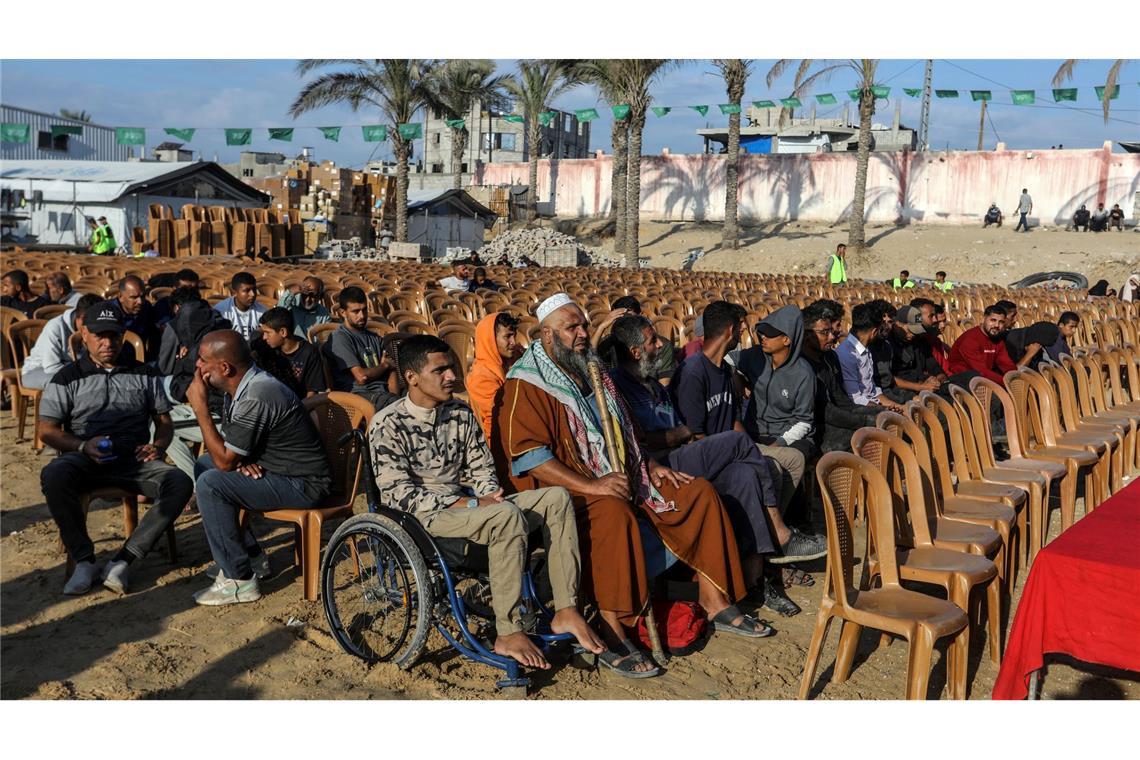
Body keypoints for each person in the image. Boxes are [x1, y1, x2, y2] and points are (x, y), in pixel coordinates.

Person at [496, 294, 767, 676]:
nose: (582, 334)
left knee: (697, 492)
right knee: (612, 511)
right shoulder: (527, 383)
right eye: (572, 328)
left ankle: (714, 599)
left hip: (623, 475)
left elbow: (626, 434)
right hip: (565, 490)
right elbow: (529, 458)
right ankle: (613, 624)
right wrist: (593, 487)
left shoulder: (593, 370)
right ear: (546, 334)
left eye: (584, 326)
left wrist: (651, 466)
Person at [370, 335, 605, 670]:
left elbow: (482, 469)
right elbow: (399, 495)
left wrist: (488, 496)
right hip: (425, 517)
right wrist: (472, 506)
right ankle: (507, 630)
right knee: (506, 516)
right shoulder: (388, 423)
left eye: (451, 367)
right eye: (441, 370)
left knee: (556, 497)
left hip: (467, 507)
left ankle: (566, 609)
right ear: (412, 377)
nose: (452, 375)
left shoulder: (460, 415)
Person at [608, 314, 804, 616]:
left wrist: (681, 435)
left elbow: (683, 429)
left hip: (681, 454)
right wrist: (676, 434)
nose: (661, 345)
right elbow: (634, 439)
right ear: (634, 352)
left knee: (745, 473)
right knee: (738, 443)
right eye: (652, 341)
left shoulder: (653, 386)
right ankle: (780, 532)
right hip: (657, 465)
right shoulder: (618, 388)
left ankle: (754, 577)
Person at [38, 302, 193, 595]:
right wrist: (83, 445)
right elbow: (46, 430)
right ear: (84, 334)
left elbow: (164, 422)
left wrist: (157, 446)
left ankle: (125, 560)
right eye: (100, 335)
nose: (108, 343)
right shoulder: (67, 378)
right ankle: (84, 560)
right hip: (84, 458)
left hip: (133, 460)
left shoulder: (145, 374)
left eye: (114, 335)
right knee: (54, 474)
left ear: (123, 335)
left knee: (180, 481)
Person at [188, 331, 332, 605]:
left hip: (304, 483)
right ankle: (251, 556)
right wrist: (241, 460)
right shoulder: (242, 386)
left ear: (225, 368)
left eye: (203, 360)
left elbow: (225, 461)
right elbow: (231, 452)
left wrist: (200, 408)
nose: (198, 367)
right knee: (204, 464)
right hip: (280, 470)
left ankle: (239, 579)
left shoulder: (257, 393)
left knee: (211, 484)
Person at [679, 302, 824, 557]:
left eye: (768, 333)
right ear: (731, 331)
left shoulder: (802, 373)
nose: (759, 337)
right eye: (750, 330)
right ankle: (776, 536)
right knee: (771, 467)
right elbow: (695, 433)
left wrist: (761, 447)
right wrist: (737, 374)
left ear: (787, 340)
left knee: (793, 459)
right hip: (716, 449)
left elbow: (802, 421)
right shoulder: (697, 371)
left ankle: (769, 530)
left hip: (765, 437)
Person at [159, 286, 233, 483]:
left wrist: (183, 362)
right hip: (224, 411)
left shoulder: (200, 351)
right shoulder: (225, 334)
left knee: (162, 425)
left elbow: (179, 389)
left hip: (221, 416)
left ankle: (194, 482)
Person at [800, 299, 880, 454]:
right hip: (816, 426)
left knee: (884, 420)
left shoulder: (830, 357)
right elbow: (824, 411)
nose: (832, 337)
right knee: (867, 440)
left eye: (831, 330)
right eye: (825, 332)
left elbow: (842, 400)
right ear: (806, 335)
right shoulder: (802, 366)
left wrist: (876, 412)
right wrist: (864, 421)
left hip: (835, 418)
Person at [323, 286, 397, 411]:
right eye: (355, 311)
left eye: (364, 310)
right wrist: (383, 366)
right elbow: (361, 377)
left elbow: (392, 369)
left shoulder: (375, 338)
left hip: (384, 395)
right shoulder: (340, 338)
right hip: (357, 396)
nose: (362, 316)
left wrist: (397, 396)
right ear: (343, 312)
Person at [21, 293, 102, 390]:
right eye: (89, 322)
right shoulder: (55, 327)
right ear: (79, 317)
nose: (92, 327)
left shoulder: (94, 327)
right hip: (38, 371)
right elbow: (51, 367)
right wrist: (82, 372)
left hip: (73, 369)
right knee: (61, 382)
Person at [835, 303, 906, 411]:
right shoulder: (847, 354)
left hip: (874, 405)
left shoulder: (865, 349)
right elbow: (856, 399)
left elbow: (873, 392)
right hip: (861, 411)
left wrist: (900, 408)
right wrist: (884, 410)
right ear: (873, 332)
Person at [594, 296, 677, 382]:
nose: (626, 325)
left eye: (630, 319)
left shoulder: (659, 345)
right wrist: (601, 327)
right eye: (620, 321)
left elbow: (664, 384)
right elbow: (588, 362)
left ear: (640, 316)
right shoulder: (613, 342)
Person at [467, 312, 522, 442]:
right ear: (490, 339)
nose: (513, 342)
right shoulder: (481, 377)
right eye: (507, 337)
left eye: (514, 336)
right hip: (504, 440)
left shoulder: (514, 358)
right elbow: (499, 419)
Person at [252, 308, 327, 399]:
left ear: (283, 332)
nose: (264, 337)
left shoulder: (309, 353)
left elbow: (312, 392)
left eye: (267, 333)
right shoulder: (266, 348)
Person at [948, 304, 1016, 386]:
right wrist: (1006, 383)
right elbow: (981, 371)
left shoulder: (997, 339)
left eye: (1001, 322)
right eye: (993, 320)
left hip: (982, 379)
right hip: (961, 381)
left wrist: (1015, 378)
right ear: (983, 319)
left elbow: (1006, 364)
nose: (997, 325)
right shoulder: (970, 339)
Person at [887, 305, 946, 397]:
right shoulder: (888, 344)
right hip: (902, 390)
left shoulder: (918, 340)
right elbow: (888, 378)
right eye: (910, 330)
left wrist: (940, 377)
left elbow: (931, 362)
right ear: (898, 324)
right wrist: (920, 387)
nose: (913, 334)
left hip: (923, 383)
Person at [110, 275, 159, 360]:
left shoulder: (146, 307)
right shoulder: (108, 311)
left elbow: (154, 334)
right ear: (120, 297)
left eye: (142, 296)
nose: (140, 302)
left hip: (140, 360)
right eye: (134, 297)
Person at [213, 272, 267, 343]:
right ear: (235, 292)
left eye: (254, 289)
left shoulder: (263, 311)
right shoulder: (221, 310)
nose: (252, 294)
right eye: (247, 291)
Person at [277, 276, 330, 340]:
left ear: (320, 297)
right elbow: (278, 314)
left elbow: (324, 339)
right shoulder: (292, 304)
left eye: (312, 296)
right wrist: (293, 291)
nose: (307, 300)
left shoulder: (324, 314)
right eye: (304, 295)